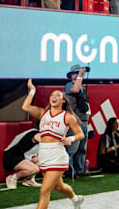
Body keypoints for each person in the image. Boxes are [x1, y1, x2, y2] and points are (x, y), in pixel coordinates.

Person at [21, 79, 85, 209]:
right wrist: (32, 90)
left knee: (44, 191)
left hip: (57, 155)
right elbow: (25, 107)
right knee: (58, 187)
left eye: (57, 95)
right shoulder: (43, 113)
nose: (54, 97)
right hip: (44, 154)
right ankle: (76, 199)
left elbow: (80, 134)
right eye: (52, 95)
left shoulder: (67, 117)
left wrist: (71, 139)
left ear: (63, 101)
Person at [63, 65, 91, 178]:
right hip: (74, 121)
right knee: (72, 148)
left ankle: (79, 169)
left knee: (81, 148)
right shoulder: (69, 85)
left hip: (83, 120)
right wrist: (80, 75)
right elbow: (75, 90)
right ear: (71, 75)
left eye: (78, 73)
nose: (77, 75)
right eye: (75, 73)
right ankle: (68, 170)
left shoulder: (82, 87)